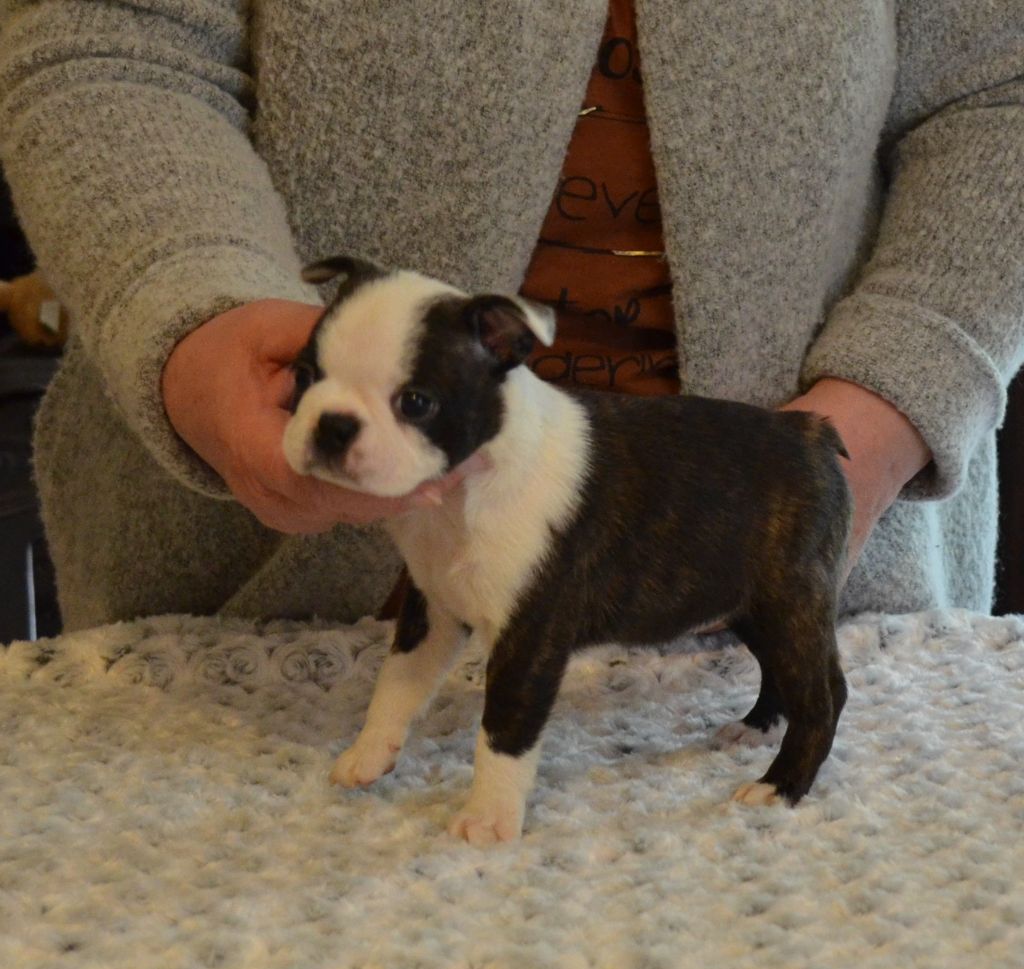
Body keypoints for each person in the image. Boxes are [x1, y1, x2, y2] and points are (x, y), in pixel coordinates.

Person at [0, 0, 1020, 633]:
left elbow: (999, 92)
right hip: (260, 599)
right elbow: (111, 42)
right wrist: (193, 306)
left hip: (798, 579)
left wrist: (888, 406)